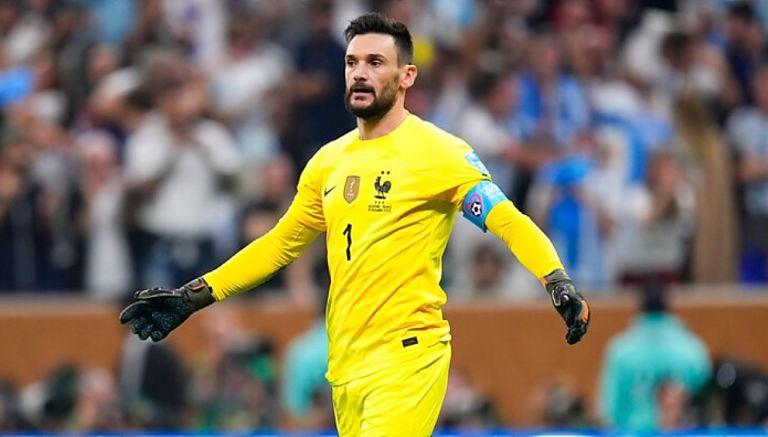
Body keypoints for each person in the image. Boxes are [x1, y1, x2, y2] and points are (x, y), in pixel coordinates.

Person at [119, 13, 591, 436]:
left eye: (375, 63)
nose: (360, 73)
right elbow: (280, 244)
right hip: (345, 364)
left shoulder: (440, 153)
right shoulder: (328, 161)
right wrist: (194, 295)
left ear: (407, 76)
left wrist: (556, 279)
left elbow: (506, 218)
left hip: (408, 356)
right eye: (352, 63)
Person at [598, 284, 710, 433]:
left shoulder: (620, 351)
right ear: (667, 309)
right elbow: (707, 401)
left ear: (641, 309)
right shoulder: (693, 349)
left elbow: (608, 409)